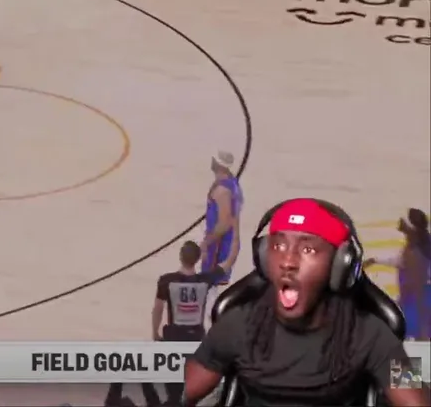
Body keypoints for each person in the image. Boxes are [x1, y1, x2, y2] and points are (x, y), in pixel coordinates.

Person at [184, 199, 429, 406]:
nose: (288, 261)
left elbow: (417, 400)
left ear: (340, 264)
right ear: (263, 257)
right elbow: (184, 394)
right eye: (278, 246)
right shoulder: (237, 325)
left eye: (308, 250)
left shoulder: (371, 334)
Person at [363, 209, 431, 340]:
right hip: (415, 301)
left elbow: (417, 284)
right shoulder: (419, 245)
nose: (400, 224)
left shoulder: (415, 252)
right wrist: (374, 260)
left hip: (417, 302)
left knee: (417, 337)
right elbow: (400, 261)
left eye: (404, 222)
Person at [200, 151, 243, 284]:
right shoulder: (233, 183)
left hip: (218, 248)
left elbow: (224, 223)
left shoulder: (222, 190)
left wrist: (206, 243)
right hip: (226, 245)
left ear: (217, 164)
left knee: (209, 287)